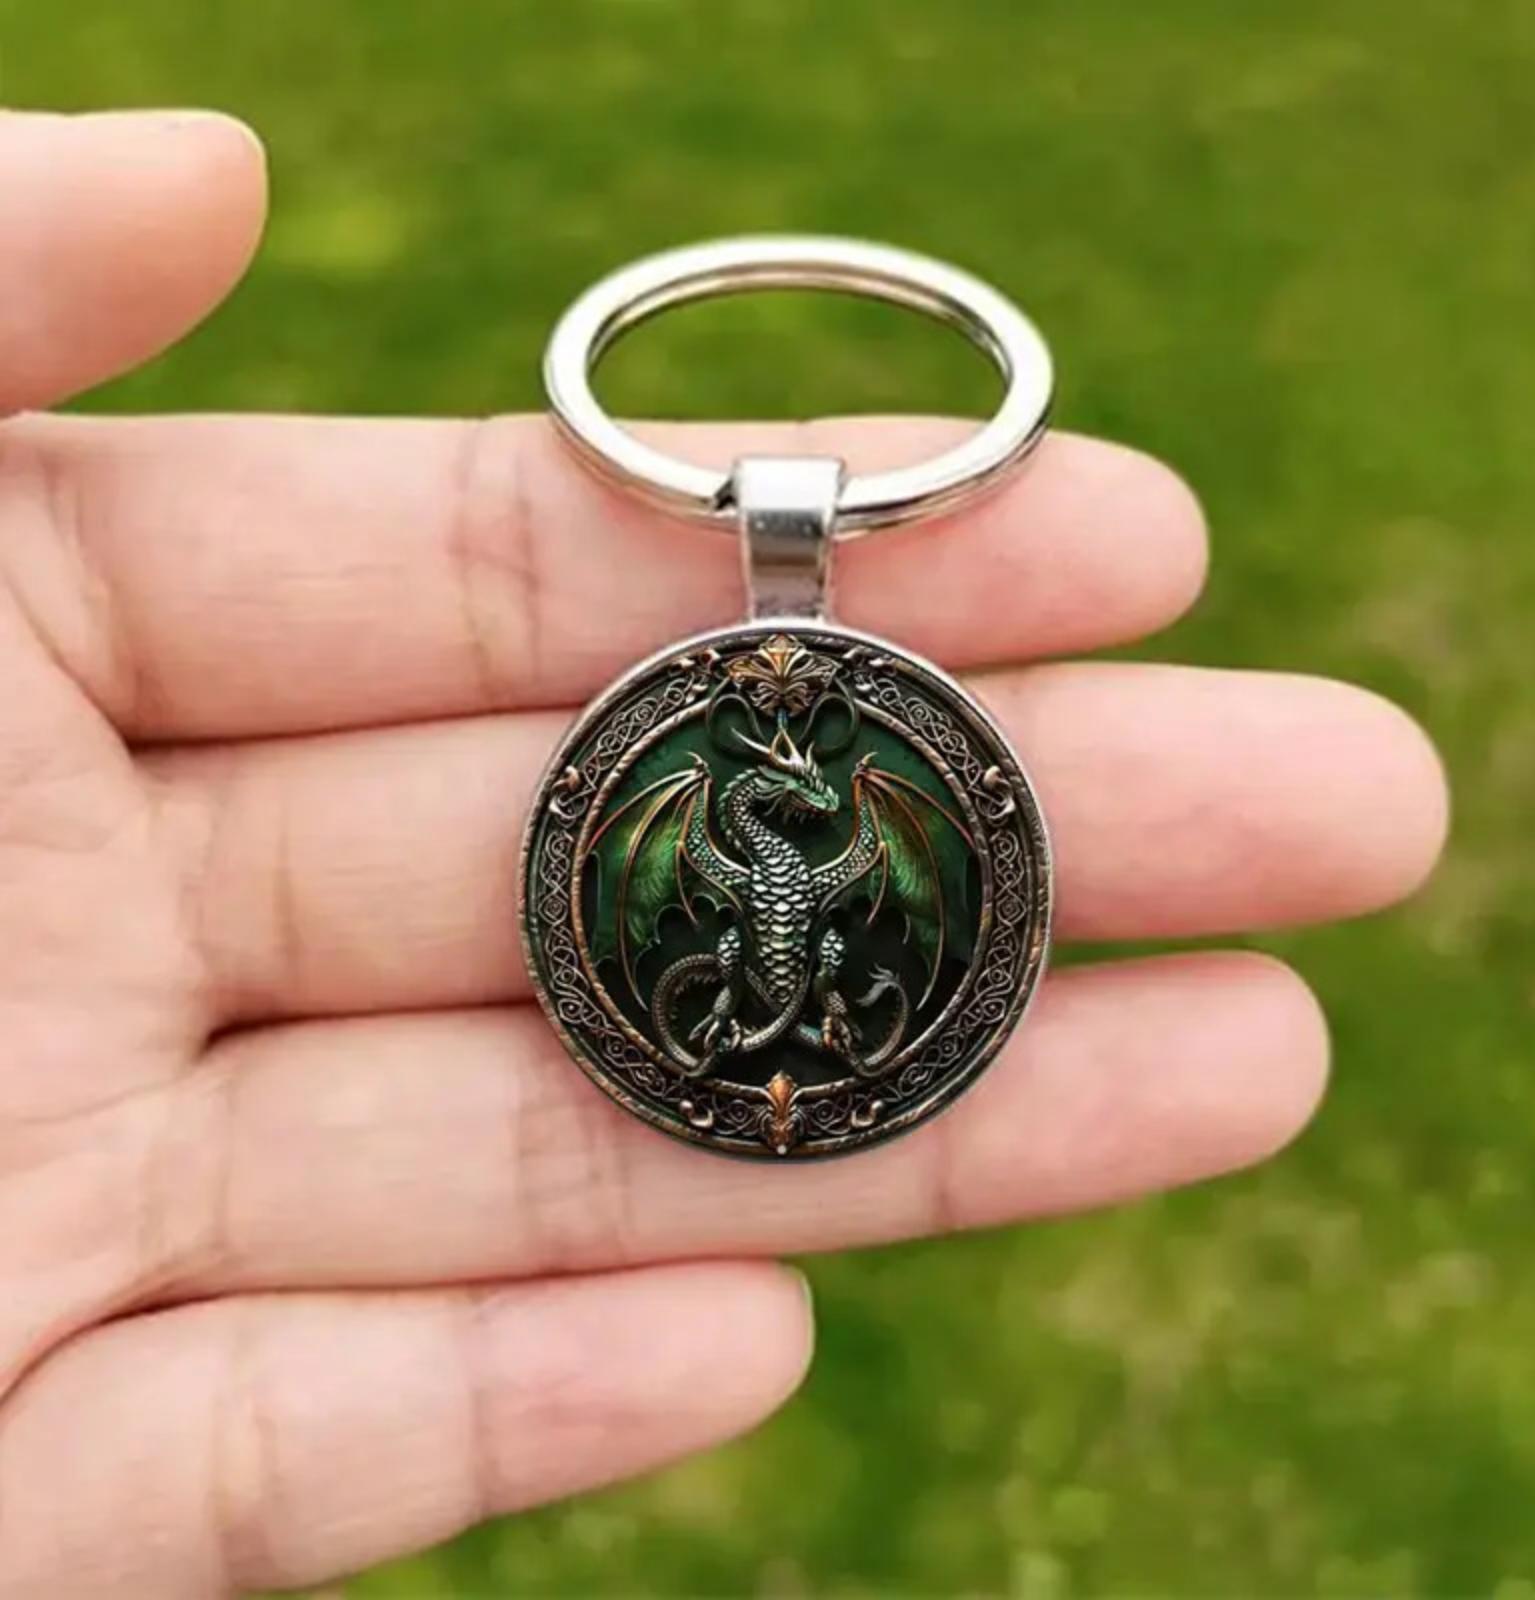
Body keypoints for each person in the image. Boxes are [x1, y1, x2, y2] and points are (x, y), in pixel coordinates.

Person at [0, 109, 1447, 1596]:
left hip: (793, 1004)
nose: (791, 792)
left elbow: (829, 859)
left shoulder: (836, 834)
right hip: (765, 1000)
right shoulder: (726, 825)